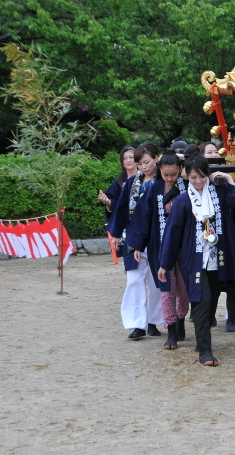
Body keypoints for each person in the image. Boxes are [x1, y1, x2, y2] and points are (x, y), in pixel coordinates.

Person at [157, 155, 235, 367]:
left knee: (212, 300)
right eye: (193, 177)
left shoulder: (219, 193)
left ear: (208, 174)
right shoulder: (183, 200)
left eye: (202, 176)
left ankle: (201, 340)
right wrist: (165, 263)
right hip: (194, 259)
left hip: (218, 257)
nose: (198, 181)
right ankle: (205, 351)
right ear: (186, 176)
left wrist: (229, 179)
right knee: (201, 300)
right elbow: (172, 234)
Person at [125, 151, 189, 350]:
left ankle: (180, 318)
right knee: (166, 288)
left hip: (184, 246)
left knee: (184, 289)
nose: (169, 178)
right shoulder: (154, 189)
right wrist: (138, 244)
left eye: (174, 174)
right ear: (160, 171)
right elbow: (143, 216)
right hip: (160, 246)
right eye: (166, 175)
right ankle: (171, 330)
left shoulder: (188, 187)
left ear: (180, 171)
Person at [107, 143, 164, 340]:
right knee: (134, 280)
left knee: (157, 282)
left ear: (156, 158)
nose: (144, 167)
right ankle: (137, 324)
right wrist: (116, 233)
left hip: (157, 237)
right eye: (140, 164)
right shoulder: (132, 182)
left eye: (147, 162)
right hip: (133, 236)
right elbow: (121, 209)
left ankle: (153, 320)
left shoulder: (164, 181)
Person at [98, 146, 136, 226]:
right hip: (124, 221)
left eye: (131, 157)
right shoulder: (119, 181)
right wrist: (108, 201)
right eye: (125, 158)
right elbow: (114, 200)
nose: (128, 160)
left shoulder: (145, 178)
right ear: (122, 163)